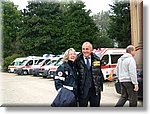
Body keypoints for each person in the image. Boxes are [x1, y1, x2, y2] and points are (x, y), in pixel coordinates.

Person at [75, 41, 104, 107]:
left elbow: (99, 73)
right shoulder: (77, 59)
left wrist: (100, 85)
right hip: (82, 91)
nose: (85, 51)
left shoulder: (96, 59)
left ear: (91, 49)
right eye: (83, 49)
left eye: (87, 49)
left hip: (95, 91)